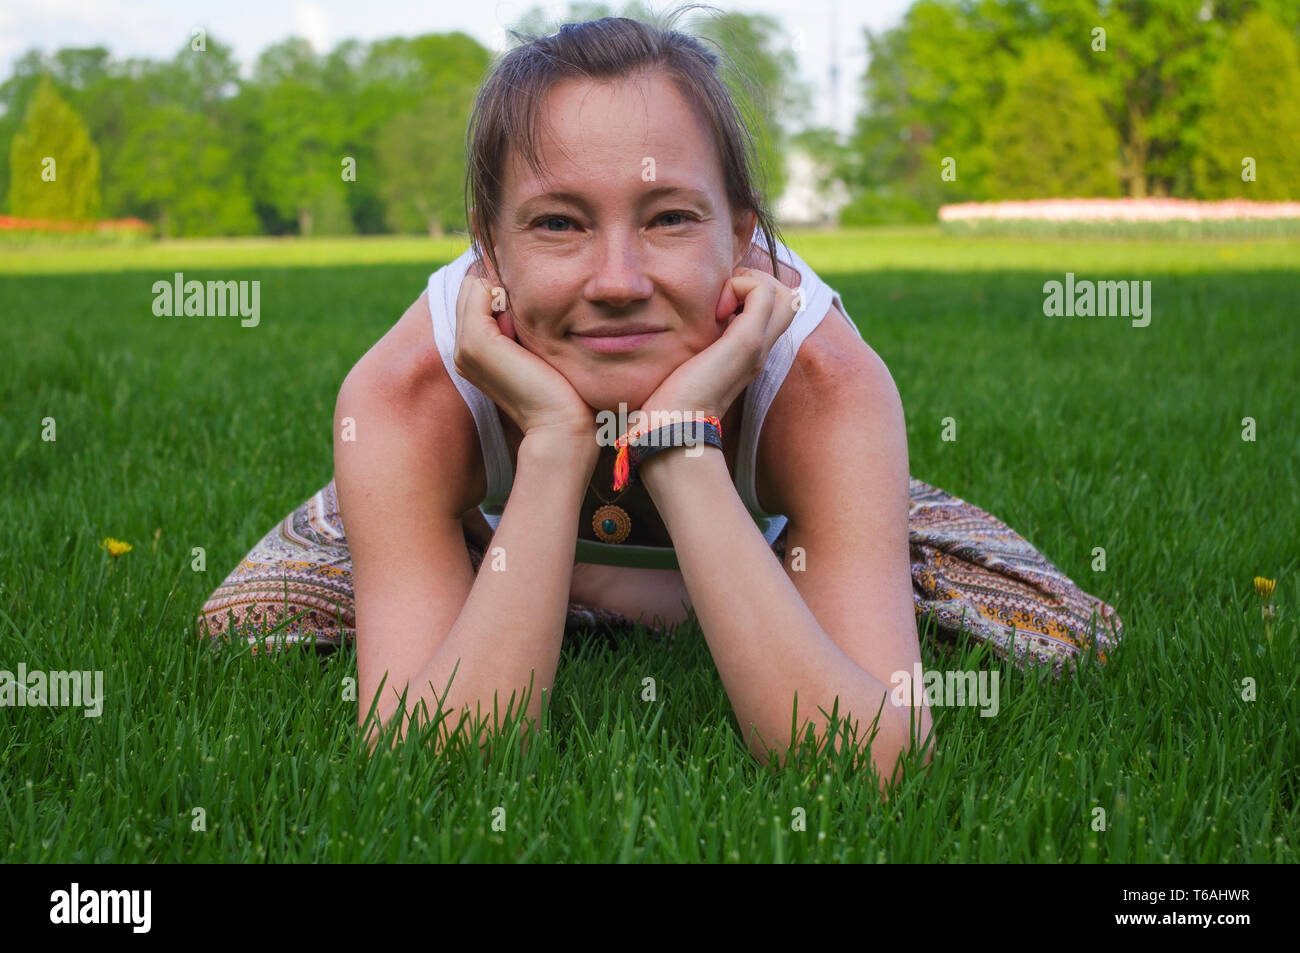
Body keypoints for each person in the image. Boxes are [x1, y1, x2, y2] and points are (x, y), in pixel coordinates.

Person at [198, 12, 1122, 783]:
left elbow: (876, 759)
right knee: (253, 613)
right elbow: (432, 761)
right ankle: (603, 576)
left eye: (671, 218)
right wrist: (556, 441)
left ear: (742, 239)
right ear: (490, 250)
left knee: (1055, 627)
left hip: (748, 522)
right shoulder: (405, 394)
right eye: (558, 223)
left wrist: (681, 444)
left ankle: (629, 579)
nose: (618, 280)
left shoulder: (825, 383)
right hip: (501, 521)